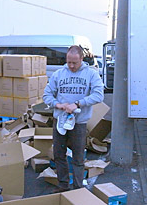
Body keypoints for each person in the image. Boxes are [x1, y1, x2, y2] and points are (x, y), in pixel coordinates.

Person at [43, 45, 104, 192]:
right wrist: (57, 104)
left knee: (78, 157)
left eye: (74, 63)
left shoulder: (91, 74)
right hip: (60, 121)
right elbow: (46, 95)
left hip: (79, 122)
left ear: (81, 59)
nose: (71, 66)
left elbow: (98, 95)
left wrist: (78, 103)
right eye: (69, 62)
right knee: (59, 154)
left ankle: (77, 189)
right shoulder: (58, 74)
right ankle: (63, 185)